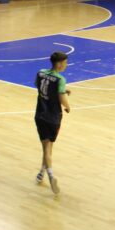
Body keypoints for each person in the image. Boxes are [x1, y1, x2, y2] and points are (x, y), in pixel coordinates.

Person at [35, 51, 71, 195]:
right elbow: (62, 98)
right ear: (59, 64)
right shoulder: (60, 79)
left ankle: (41, 173)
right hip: (53, 117)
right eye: (65, 62)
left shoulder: (40, 73)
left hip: (39, 115)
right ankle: (50, 175)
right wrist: (68, 106)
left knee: (46, 146)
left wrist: (62, 91)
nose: (66, 65)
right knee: (48, 148)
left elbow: (40, 86)